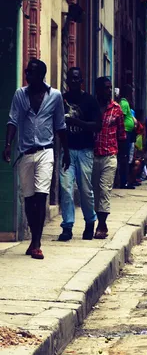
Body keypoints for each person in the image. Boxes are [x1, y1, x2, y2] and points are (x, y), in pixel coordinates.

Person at [3, 59, 70, 259]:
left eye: (30, 72)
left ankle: (37, 242)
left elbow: (60, 125)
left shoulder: (55, 96)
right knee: (29, 199)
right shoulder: (19, 94)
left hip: (45, 151)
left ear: (40, 75)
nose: (26, 75)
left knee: (41, 196)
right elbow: (13, 120)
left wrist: (66, 151)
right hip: (24, 152)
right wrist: (7, 145)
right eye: (26, 71)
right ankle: (34, 236)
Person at [59, 67, 102, 241]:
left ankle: (90, 222)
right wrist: (64, 149)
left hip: (85, 150)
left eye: (77, 79)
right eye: (71, 79)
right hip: (67, 150)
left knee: (85, 189)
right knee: (66, 188)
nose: (74, 82)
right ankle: (67, 226)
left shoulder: (90, 101)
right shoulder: (61, 100)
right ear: (67, 81)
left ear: (82, 80)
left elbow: (97, 126)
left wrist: (76, 121)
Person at [93, 77, 126, 239]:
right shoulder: (92, 107)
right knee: (94, 191)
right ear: (98, 90)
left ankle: (102, 224)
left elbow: (121, 134)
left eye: (110, 88)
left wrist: (121, 158)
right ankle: (94, 220)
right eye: (106, 88)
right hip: (91, 156)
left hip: (110, 155)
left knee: (105, 190)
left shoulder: (117, 109)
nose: (108, 91)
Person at [117, 84, 135, 189]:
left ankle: (125, 181)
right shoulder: (124, 103)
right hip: (125, 132)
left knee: (126, 157)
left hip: (127, 132)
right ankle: (124, 182)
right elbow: (121, 118)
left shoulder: (125, 103)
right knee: (124, 157)